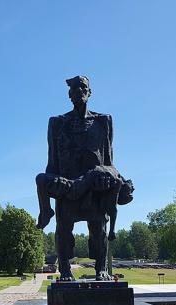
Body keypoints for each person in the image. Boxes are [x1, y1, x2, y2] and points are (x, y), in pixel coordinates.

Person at [35, 76, 133, 281]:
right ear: (69, 94)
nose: (79, 90)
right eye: (74, 88)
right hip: (68, 186)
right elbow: (52, 162)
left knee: (99, 229)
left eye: (83, 87)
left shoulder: (103, 121)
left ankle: (101, 269)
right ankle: (65, 269)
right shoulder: (57, 123)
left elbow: (109, 161)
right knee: (63, 228)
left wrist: (113, 177)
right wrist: (51, 184)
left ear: (90, 92)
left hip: (95, 188)